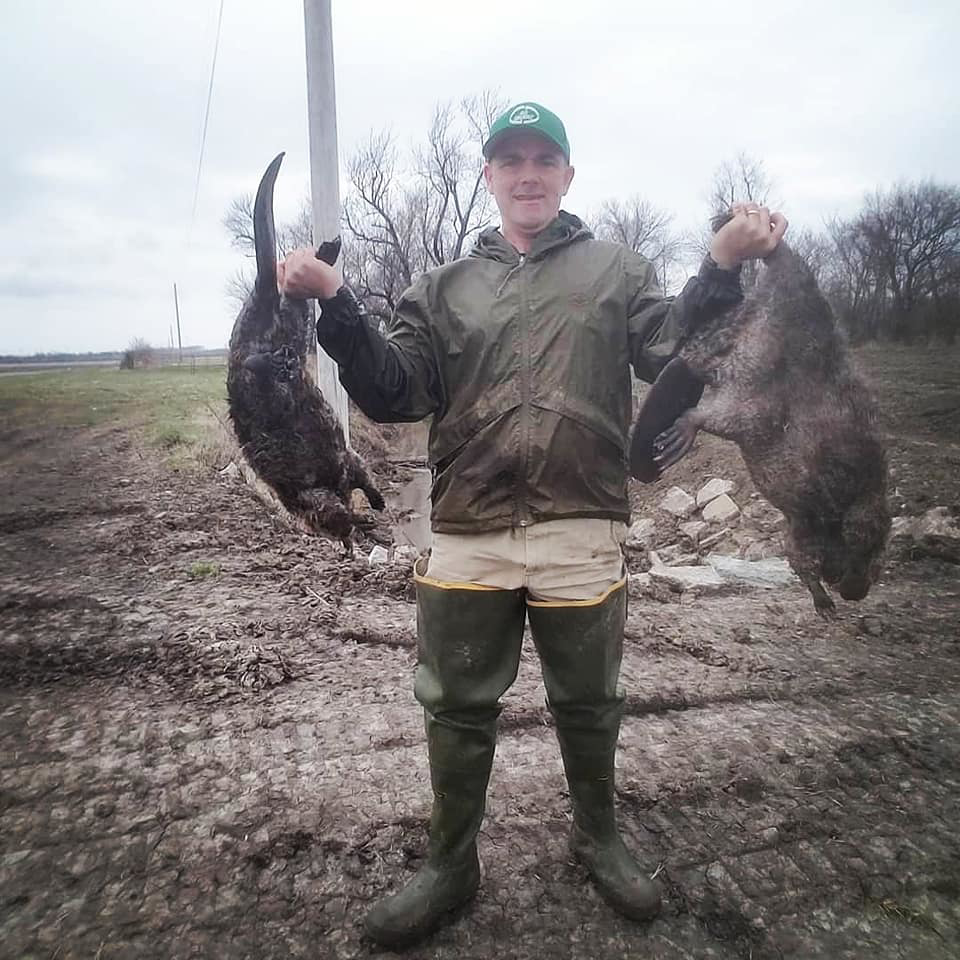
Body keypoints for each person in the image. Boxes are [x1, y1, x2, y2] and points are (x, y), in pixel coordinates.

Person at [279, 101, 787, 948]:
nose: (527, 174)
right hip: (469, 529)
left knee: (589, 701)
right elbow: (394, 392)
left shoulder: (618, 270)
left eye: (543, 159)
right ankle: (451, 864)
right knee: (454, 706)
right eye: (509, 159)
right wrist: (337, 303)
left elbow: (678, 355)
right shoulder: (440, 288)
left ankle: (598, 837)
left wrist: (722, 264)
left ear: (567, 175)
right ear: (487, 176)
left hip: (579, 527)